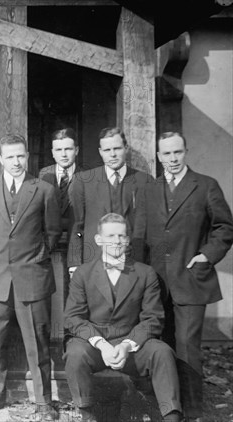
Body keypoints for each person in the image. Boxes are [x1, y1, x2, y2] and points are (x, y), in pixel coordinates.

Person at [133, 132, 233, 421]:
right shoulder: (150, 189)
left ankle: (192, 410)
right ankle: (166, 407)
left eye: (177, 153)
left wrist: (206, 255)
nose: (172, 159)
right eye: (166, 154)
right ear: (158, 156)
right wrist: (141, 276)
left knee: (187, 347)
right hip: (157, 282)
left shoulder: (205, 185)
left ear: (185, 152)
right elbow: (140, 234)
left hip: (191, 279)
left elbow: (225, 227)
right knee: (161, 345)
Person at [0, 134, 61, 418]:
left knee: (37, 343)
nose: (16, 162)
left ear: (28, 156)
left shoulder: (44, 190)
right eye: (10, 157)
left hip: (31, 276)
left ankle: (44, 401)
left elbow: (53, 232)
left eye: (20, 156)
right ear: (0, 160)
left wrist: (32, 258)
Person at [64, 213, 183, 422]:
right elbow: (73, 318)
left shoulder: (145, 273)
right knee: (75, 352)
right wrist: (102, 345)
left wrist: (128, 345)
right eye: (110, 236)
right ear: (99, 239)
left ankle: (171, 414)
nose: (117, 241)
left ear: (128, 240)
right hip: (96, 346)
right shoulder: (83, 273)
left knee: (162, 352)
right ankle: (87, 413)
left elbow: (153, 319)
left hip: (131, 345)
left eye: (121, 236)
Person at [68, 127, 151, 270]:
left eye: (117, 148)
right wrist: (75, 264)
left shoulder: (144, 180)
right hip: (94, 262)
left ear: (126, 148)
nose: (112, 154)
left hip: (133, 262)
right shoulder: (84, 181)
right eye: (107, 150)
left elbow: (148, 227)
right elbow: (77, 226)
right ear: (100, 152)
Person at [38, 128, 81, 304]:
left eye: (68, 149)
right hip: (49, 243)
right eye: (58, 150)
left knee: (73, 295)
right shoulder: (43, 175)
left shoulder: (86, 176)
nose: (63, 154)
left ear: (76, 150)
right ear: (52, 153)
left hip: (75, 243)